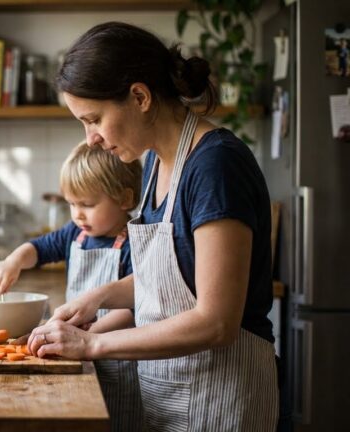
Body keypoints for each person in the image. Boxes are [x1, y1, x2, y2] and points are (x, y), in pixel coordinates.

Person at [25, 22, 279, 430]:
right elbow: (170, 283)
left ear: (139, 96)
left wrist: (93, 343)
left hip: (223, 400)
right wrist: (100, 297)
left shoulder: (216, 166)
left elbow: (216, 321)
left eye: (93, 119)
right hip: (169, 398)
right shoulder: (153, 165)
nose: (90, 138)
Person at [0, 141, 142, 431]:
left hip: (117, 357)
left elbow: (132, 310)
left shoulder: (134, 242)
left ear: (124, 199)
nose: (77, 214)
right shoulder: (75, 233)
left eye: (87, 204)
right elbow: (38, 248)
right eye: (71, 204)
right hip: (74, 353)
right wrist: (13, 261)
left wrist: (85, 338)